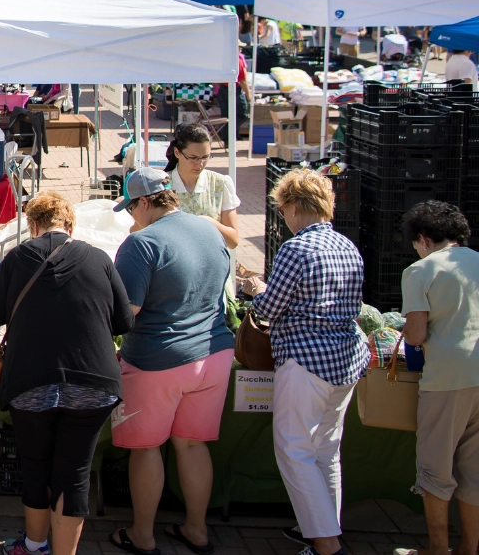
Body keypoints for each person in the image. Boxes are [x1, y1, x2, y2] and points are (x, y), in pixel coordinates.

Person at [0, 192, 133, 555]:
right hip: (94, 381)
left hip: (31, 379)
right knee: (74, 473)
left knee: (35, 465)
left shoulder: (17, 258)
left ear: (32, 226)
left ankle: (34, 546)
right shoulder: (99, 258)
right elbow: (125, 320)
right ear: (70, 226)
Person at [233, 169, 366, 555]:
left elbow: (269, 310)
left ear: (291, 207)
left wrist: (258, 290)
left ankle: (325, 543)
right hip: (346, 359)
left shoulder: (297, 248)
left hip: (306, 360)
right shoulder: (347, 246)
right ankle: (324, 531)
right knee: (326, 450)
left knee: (294, 450)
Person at [108, 167, 234, 555]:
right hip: (214, 354)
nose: (132, 217)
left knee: (146, 449)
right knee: (192, 445)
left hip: (157, 359)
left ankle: (142, 535)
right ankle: (197, 530)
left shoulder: (141, 244)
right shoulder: (209, 229)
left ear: (144, 202)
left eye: (132, 209)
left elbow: (125, 312)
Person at [393, 202, 479, 555]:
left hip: (446, 378)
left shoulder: (420, 270)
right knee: (474, 473)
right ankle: (469, 548)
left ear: (423, 238)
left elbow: (414, 335)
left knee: (435, 469)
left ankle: (436, 548)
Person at [164, 122, 242, 295]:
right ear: (177, 152)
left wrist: (209, 223)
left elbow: (233, 240)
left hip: (213, 277)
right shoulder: (162, 186)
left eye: (205, 157)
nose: (199, 164)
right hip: (173, 277)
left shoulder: (220, 183)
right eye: (193, 158)